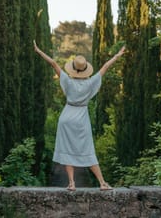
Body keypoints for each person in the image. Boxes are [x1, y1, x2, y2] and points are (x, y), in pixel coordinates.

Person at [33, 40, 125, 191]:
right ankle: (102, 183)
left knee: (68, 150)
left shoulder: (68, 81)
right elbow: (105, 67)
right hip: (81, 118)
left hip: (66, 117)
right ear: (86, 69)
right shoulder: (90, 83)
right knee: (87, 149)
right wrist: (117, 55)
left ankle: (71, 183)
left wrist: (38, 50)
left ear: (74, 69)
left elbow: (54, 64)